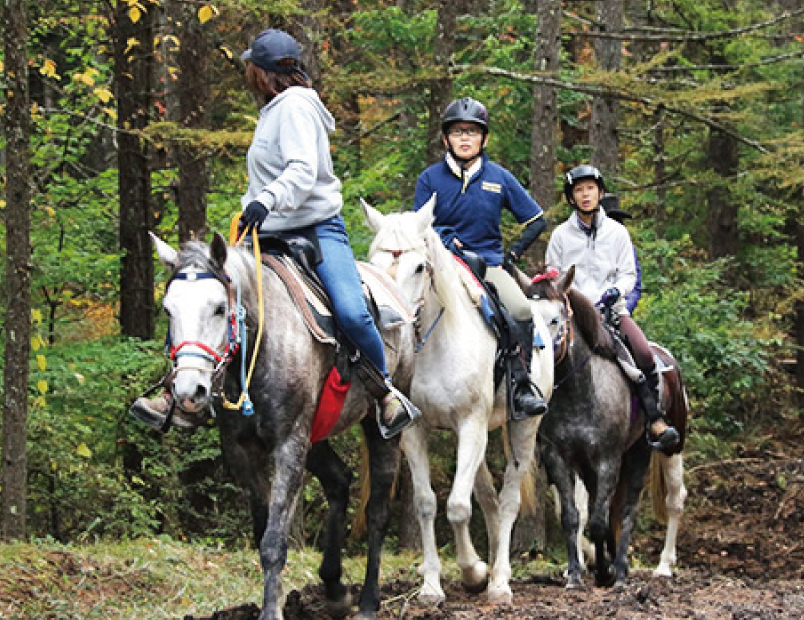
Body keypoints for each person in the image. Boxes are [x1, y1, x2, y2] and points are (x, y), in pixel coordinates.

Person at [133, 28, 419, 438]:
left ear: (261, 73)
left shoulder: (297, 107)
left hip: (317, 230)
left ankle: (386, 392)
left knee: (352, 312)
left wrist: (265, 200)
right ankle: (178, 391)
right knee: (205, 295)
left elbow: (302, 171)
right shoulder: (274, 109)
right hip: (267, 233)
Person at [413, 96, 548, 420]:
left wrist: (513, 254)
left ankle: (521, 386)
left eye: (472, 132)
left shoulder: (499, 177)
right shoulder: (429, 179)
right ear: (446, 137)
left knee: (520, 310)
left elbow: (536, 219)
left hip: (487, 265)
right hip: (443, 265)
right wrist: (445, 239)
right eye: (458, 131)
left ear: (484, 138)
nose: (464, 138)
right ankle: (395, 385)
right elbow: (419, 226)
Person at [545, 164, 679, 450]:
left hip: (612, 312)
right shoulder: (560, 236)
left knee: (642, 353)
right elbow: (552, 274)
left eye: (590, 189)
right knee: (544, 353)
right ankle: (538, 425)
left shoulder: (617, 233)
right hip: (574, 315)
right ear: (571, 197)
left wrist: (616, 291)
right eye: (579, 190)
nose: (585, 195)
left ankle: (655, 420)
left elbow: (629, 273)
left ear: (600, 192)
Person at [600, 193, 641, 314]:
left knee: (638, 334)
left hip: (618, 309)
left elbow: (635, 285)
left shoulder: (627, 245)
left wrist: (624, 308)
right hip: (586, 310)